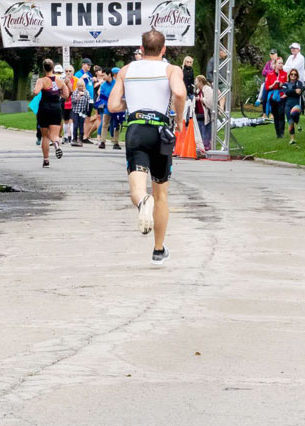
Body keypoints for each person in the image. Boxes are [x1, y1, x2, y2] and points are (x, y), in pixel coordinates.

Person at [108, 30, 186, 266]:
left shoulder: (127, 70)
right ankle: (158, 250)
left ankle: (143, 202)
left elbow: (112, 105)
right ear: (164, 50)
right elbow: (180, 92)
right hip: (160, 133)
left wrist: (130, 102)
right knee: (161, 194)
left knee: (137, 189)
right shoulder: (171, 69)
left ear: (141, 49)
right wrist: (179, 117)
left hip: (136, 130)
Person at [33, 59, 69, 167]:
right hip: (56, 107)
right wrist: (58, 93)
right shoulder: (59, 80)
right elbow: (66, 95)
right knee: (55, 134)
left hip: (44, 108)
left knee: (45, 136)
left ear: (44, 68)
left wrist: (39, 87)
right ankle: (56, 145)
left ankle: (46, 160)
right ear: (53, 68)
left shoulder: (42, 80)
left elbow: (36, 92)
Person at [265, 57, 288, 138]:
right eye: (279, 63)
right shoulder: (270, 74)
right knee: (275, 115)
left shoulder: (285, 74)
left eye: (282, 63)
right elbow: (267, 87)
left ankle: (282, 132)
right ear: (274, 64)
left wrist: (282, 84)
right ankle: (277, 133)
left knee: (281, 113)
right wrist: (274, 84)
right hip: (273, 96)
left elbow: (287, 86)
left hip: (281, 95)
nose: (281, 65)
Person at [280, 68, 304, 144]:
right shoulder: (285, 84)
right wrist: (293, 91)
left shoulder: (299, 83)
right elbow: (285, 92)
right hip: (287, 104)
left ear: (297, 76)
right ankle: (292, 138)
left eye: (295, 74)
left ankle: (297, 122)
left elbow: (299, 92)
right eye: (292, 74)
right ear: (289, 75)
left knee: (293, 114)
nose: (293, 76)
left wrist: (287, 93)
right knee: (290, 121)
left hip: (296, 104)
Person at [194, 75, 214, 150]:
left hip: (206, 115)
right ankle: (201, 147)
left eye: (196, 81)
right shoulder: (197, 91)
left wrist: (200, 99)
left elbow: (210, 102)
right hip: (198, 115)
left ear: (200, 82)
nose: (195, 83)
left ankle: (207, 147)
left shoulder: (207, 89)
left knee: (206, 133)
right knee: (199, 133)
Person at [70, 73, 90, 147]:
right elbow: (73, 101)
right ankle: (74, 139)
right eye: (79, 86)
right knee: (75, 126)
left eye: (82, 86)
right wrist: (78, 96)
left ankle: (80, 139)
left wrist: (86, 110)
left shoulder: (86, 92)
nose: (81, 88)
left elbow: (87, 102)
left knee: (81, 126)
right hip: (75, 111)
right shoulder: (75, 92)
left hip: (82, 112)